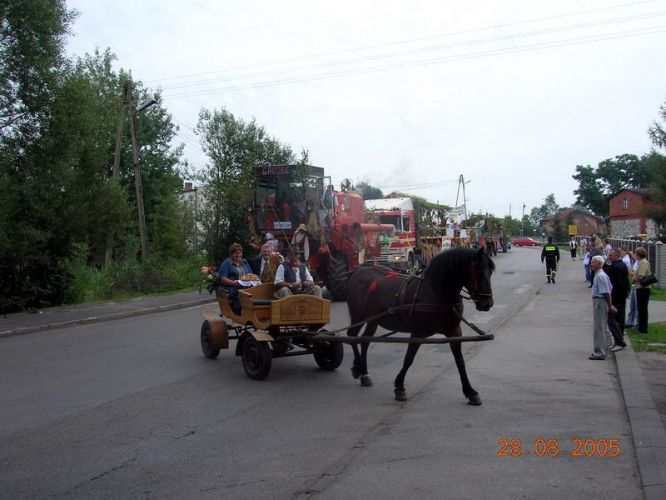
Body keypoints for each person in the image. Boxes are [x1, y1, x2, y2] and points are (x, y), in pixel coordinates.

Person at [589, 255, 616, 360]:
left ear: (599, 264)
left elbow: (606, 292)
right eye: (591, 262)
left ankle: (600, 352)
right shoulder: (599, 274)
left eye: (593, 262)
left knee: (599, 327)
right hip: (599, 301)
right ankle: (601, 349)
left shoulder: (600, 276)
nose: (591, 264)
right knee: (601, 326)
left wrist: (610, 305)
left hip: (600, 302)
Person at [218, 243, 256, 314]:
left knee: (256, 289)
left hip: (247, 285)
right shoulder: (226, 263)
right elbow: (222, 278)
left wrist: (252, 278)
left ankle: (257, 309)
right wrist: (235, 283)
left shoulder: (244, 262)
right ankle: (240, 310)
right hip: (233, 287)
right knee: (242, 292)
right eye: (236, 253)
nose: (238, 255)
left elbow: (251, 274)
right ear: (231, 254)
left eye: (240, 253)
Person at [604, 248, 629, 351]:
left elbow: (617, 283)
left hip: (616, 297)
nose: (608, 257)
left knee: (614, 320)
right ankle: (618, 340)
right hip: (621, 296)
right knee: (617, 318)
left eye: (610, 256)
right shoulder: (620, 264)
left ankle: (619, 341)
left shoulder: (616, 267)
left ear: (617, 256)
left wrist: (611, 298)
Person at [632, 247, 652, 334]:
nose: (635, 255)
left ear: (639, 255)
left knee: (642, 309)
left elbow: (641, 276)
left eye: (636, 253)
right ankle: (641, 327)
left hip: (643, 288)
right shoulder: (641, 262)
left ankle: (642, 328)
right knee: (640, 308)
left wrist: (634, 278)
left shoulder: (643, 263)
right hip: (640, 288)